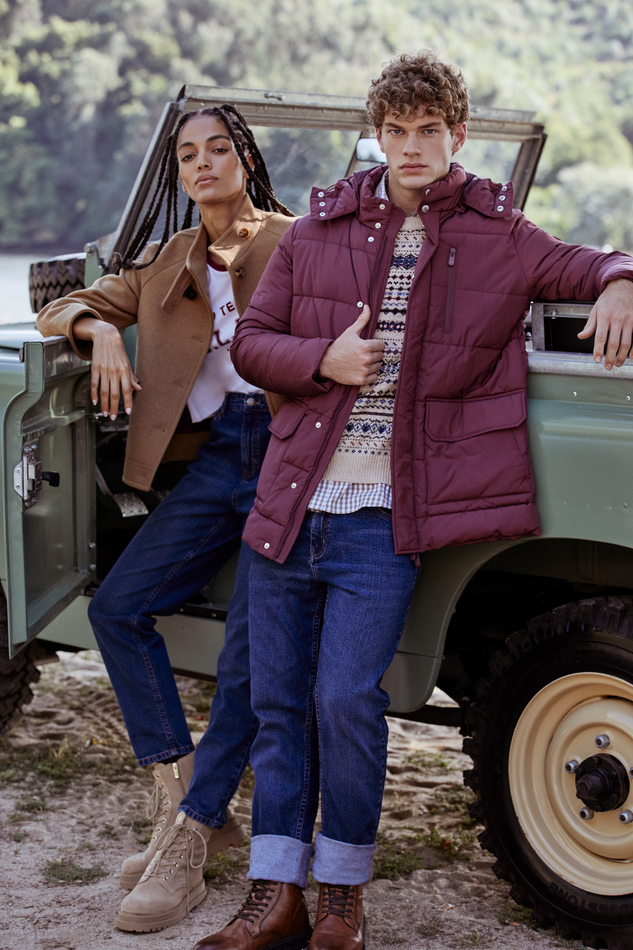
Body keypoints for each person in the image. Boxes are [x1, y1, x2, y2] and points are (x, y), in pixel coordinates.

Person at [193, 52, 633, 950]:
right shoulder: (317, 229)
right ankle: (273, 893)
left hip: (381, 520)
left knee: (345, 702)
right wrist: (322, 360)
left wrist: (621, 281)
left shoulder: (500, 233)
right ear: (377, 136)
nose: (410, 147)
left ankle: (342, 895)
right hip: (291, 506)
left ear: (455, 135)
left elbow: (592, 261)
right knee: (277, 704)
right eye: (394, 131)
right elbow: (253, 343)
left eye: (428, 130)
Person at [36, 104, 293, 934]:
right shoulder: (168, 258)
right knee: (118, 607)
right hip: (218, 457)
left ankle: (190, 838)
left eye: (219, 148)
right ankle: (183, 802)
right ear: (179, 173)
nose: (203, 163)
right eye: (187, 154)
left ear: (245, 160)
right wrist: (100, 333)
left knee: (249, 654)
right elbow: (59, 309)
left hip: (290, 452)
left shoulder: (295, 240)